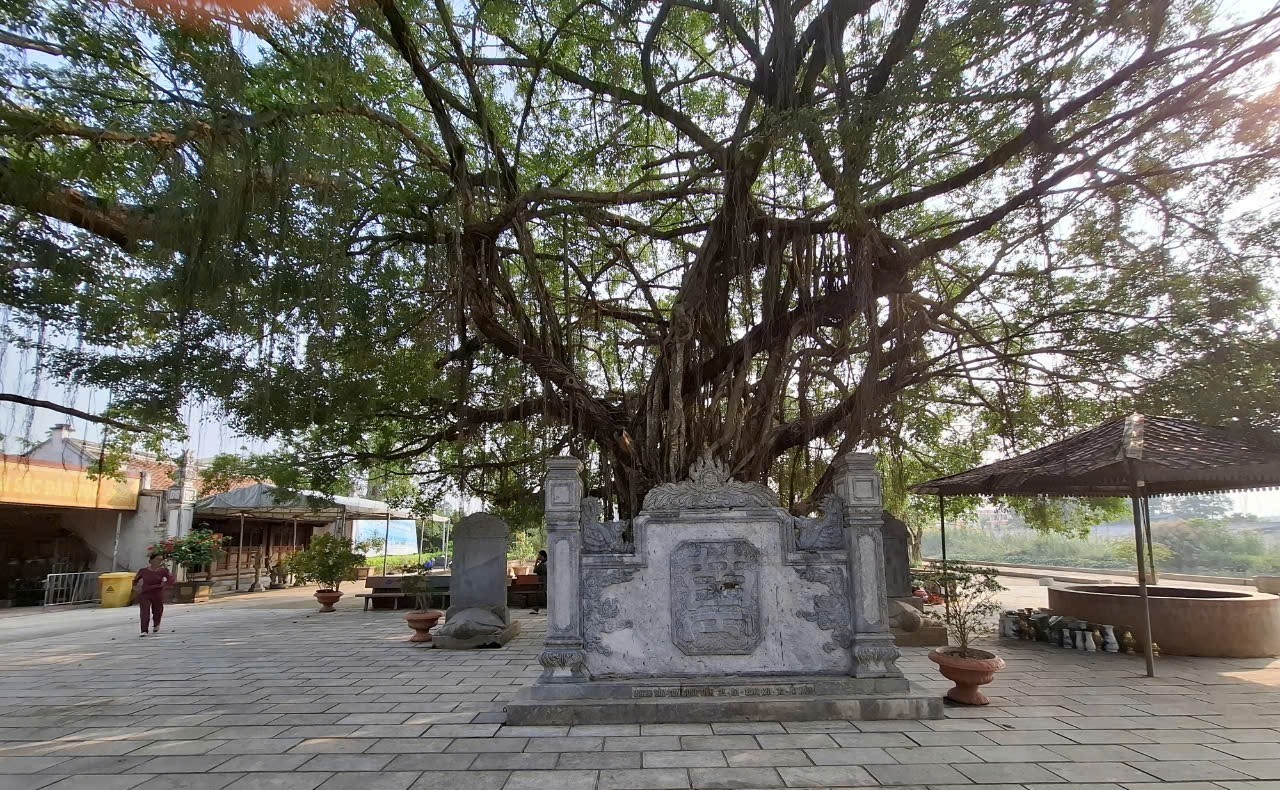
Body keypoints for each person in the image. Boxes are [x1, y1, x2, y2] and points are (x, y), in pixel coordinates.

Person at [134, 553, 174, 636]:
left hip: (157, 593)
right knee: (144, 611)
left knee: (157, 610)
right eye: (157, 559)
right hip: (145, 593)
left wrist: (164, 585)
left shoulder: (164, 571)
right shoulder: (143, 571)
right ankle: (144, 630)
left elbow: (171, 580)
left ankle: (156, 624)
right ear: (150, 561)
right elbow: (135, 581)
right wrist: (137, 589)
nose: (159, 561)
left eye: (161, 559)